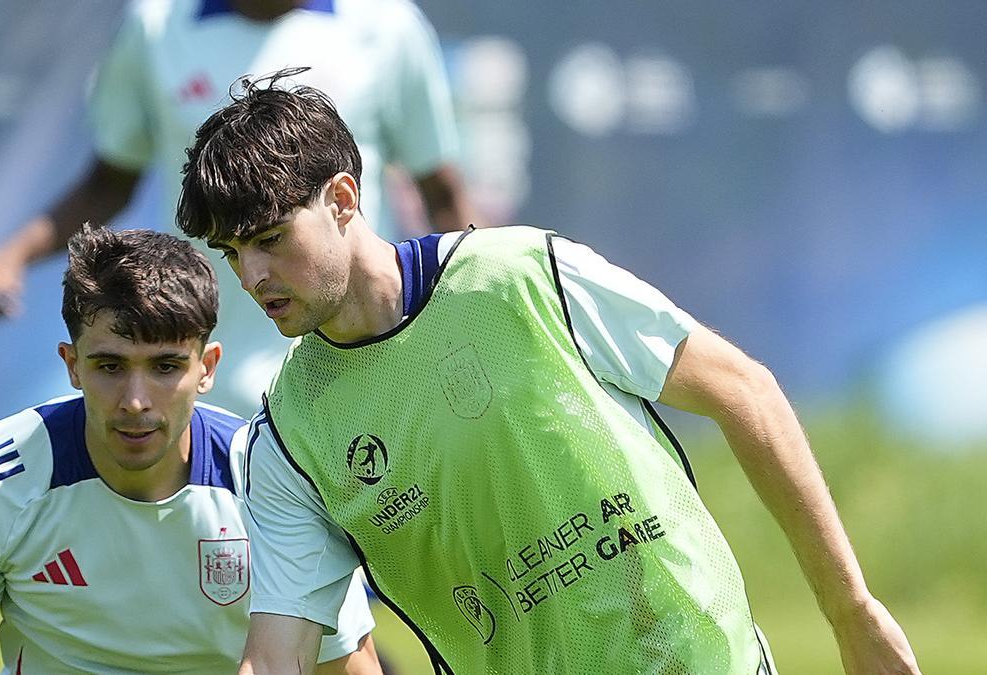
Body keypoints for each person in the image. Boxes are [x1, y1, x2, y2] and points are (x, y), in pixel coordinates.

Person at [176, 74, 923, 674]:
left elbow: (744, 391)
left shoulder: (523, 274)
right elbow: (278, 654)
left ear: (342, 199)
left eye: (270, 239)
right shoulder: (289, 438)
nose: (253, 275)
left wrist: (851, 609)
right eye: (232, 252)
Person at [0, 226, 381, 673]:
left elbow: (349, 667)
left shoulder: (278, 485)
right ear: (72, 365)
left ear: (207, 368)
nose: (134, 401)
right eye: (109, 366)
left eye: (166, 367)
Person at [0, 0, 475, 416]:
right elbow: (108, 182)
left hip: (357, 365)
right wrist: (12, 256)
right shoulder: (155, 26)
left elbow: (441, 193)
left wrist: (473, 318)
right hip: (204, 374)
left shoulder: (387, 24)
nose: (252, 271)